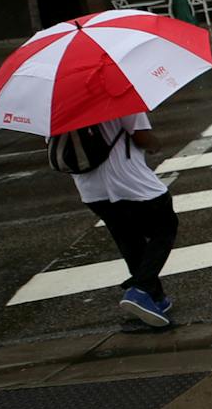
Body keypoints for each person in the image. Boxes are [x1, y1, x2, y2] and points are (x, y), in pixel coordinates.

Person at [70, 113, 179, 328]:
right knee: (165, 227)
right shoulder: (118, 97)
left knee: (128, 238)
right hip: (131, 183)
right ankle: (141, 289)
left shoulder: (54, 111)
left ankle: (155, 298)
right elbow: (141, 137)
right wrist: (155, 144)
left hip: (92, 189)